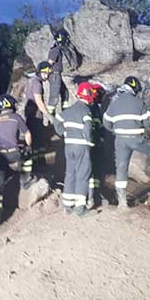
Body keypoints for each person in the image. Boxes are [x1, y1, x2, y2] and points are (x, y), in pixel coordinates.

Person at [103, 76, 150, 210]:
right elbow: (148, 123)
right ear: (135, 89)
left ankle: (122, 203)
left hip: (120, 140)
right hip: (137, 138)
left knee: (121, 167)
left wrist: (116, 130)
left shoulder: (114, 102)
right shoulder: (139, 102)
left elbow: (106, 123)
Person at [0, 94, 34, 223]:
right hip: (13, 155)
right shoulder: (15, 117)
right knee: (28, 156)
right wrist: (27, 146)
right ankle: (25, 181)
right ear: (10, 105)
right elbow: (27, 134)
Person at [53, 82, 95, 216]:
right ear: (88, 95)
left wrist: (63, 133)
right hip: (81, 146)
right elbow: (88, 128)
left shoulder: (68, 110)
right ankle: (80, 209)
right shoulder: (86, 110)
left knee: (70, 173)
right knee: (83, 174)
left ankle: (67, 205)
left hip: (69, 146)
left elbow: (57, 121)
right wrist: (90, 142)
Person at [86, 82, 106, 209]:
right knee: (94, 171)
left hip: (93, 143)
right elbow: (97, 127)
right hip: (94, 143)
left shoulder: (91, 107)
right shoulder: (93, 108)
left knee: (94, 171)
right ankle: (93, 197)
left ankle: (94, 195)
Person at [46, 29, 72, 115]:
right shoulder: (56, 49)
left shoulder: (57, 48)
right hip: (54, 75)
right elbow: (50, 62)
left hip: (57, 74)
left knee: (65, 93)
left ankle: (65, 114)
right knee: (54, 96)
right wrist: (46, 73)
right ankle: (51, 119)